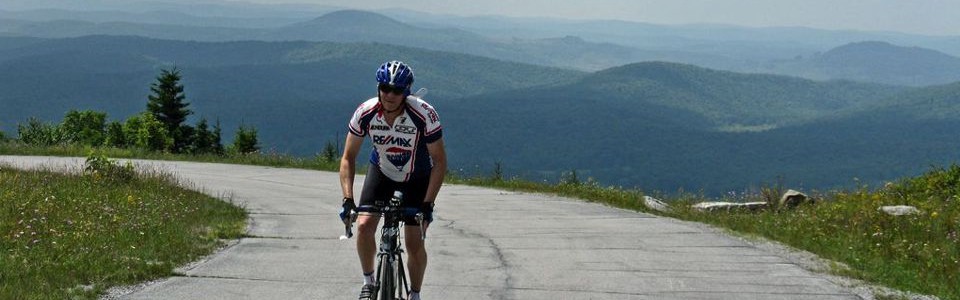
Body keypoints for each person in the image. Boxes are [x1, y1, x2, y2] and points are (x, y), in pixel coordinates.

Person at [338, 60, 446, 300]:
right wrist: (348, 199)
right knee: (365, 225)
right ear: (378, 88)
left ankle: (414, 294)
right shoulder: (365, 113)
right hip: (382, 172)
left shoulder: (423, 114)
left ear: (406, 92)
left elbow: (439, 162)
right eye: (385, 88)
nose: (390, 94)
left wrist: (428, 204)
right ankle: (369, 282)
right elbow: (348, 157)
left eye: (397, 90)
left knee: (413, 243)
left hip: (416, 178)